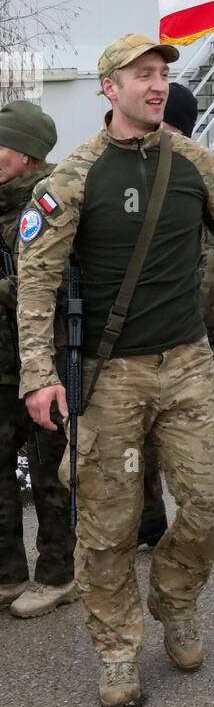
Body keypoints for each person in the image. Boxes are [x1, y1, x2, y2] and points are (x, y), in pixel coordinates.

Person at [16, 34, 214, 707]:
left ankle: (175, 597)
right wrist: (37, 372)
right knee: (107, 526)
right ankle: (117, 650)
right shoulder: (73, 179)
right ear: (108, 87)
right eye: (142, 74)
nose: (157, 84)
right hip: (108, 377)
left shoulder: (198, 164)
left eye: (162, 74)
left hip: (190, 364)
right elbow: (36, 281)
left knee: (213, 509)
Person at [138, 82, 214, 549]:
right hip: (147, 339)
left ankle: (205, 520)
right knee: (141, 439)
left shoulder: (200, 171)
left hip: (199, 335)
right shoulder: (138, 167)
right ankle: (149, 522)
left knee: (200, 437)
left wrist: (175, 313)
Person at [0, 102, 75, 618]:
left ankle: (57, 574)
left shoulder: (50, 203)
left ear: (25, 154)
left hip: (44, 363)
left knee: (50, 473)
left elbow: (55, 283)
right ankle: (7, 573)